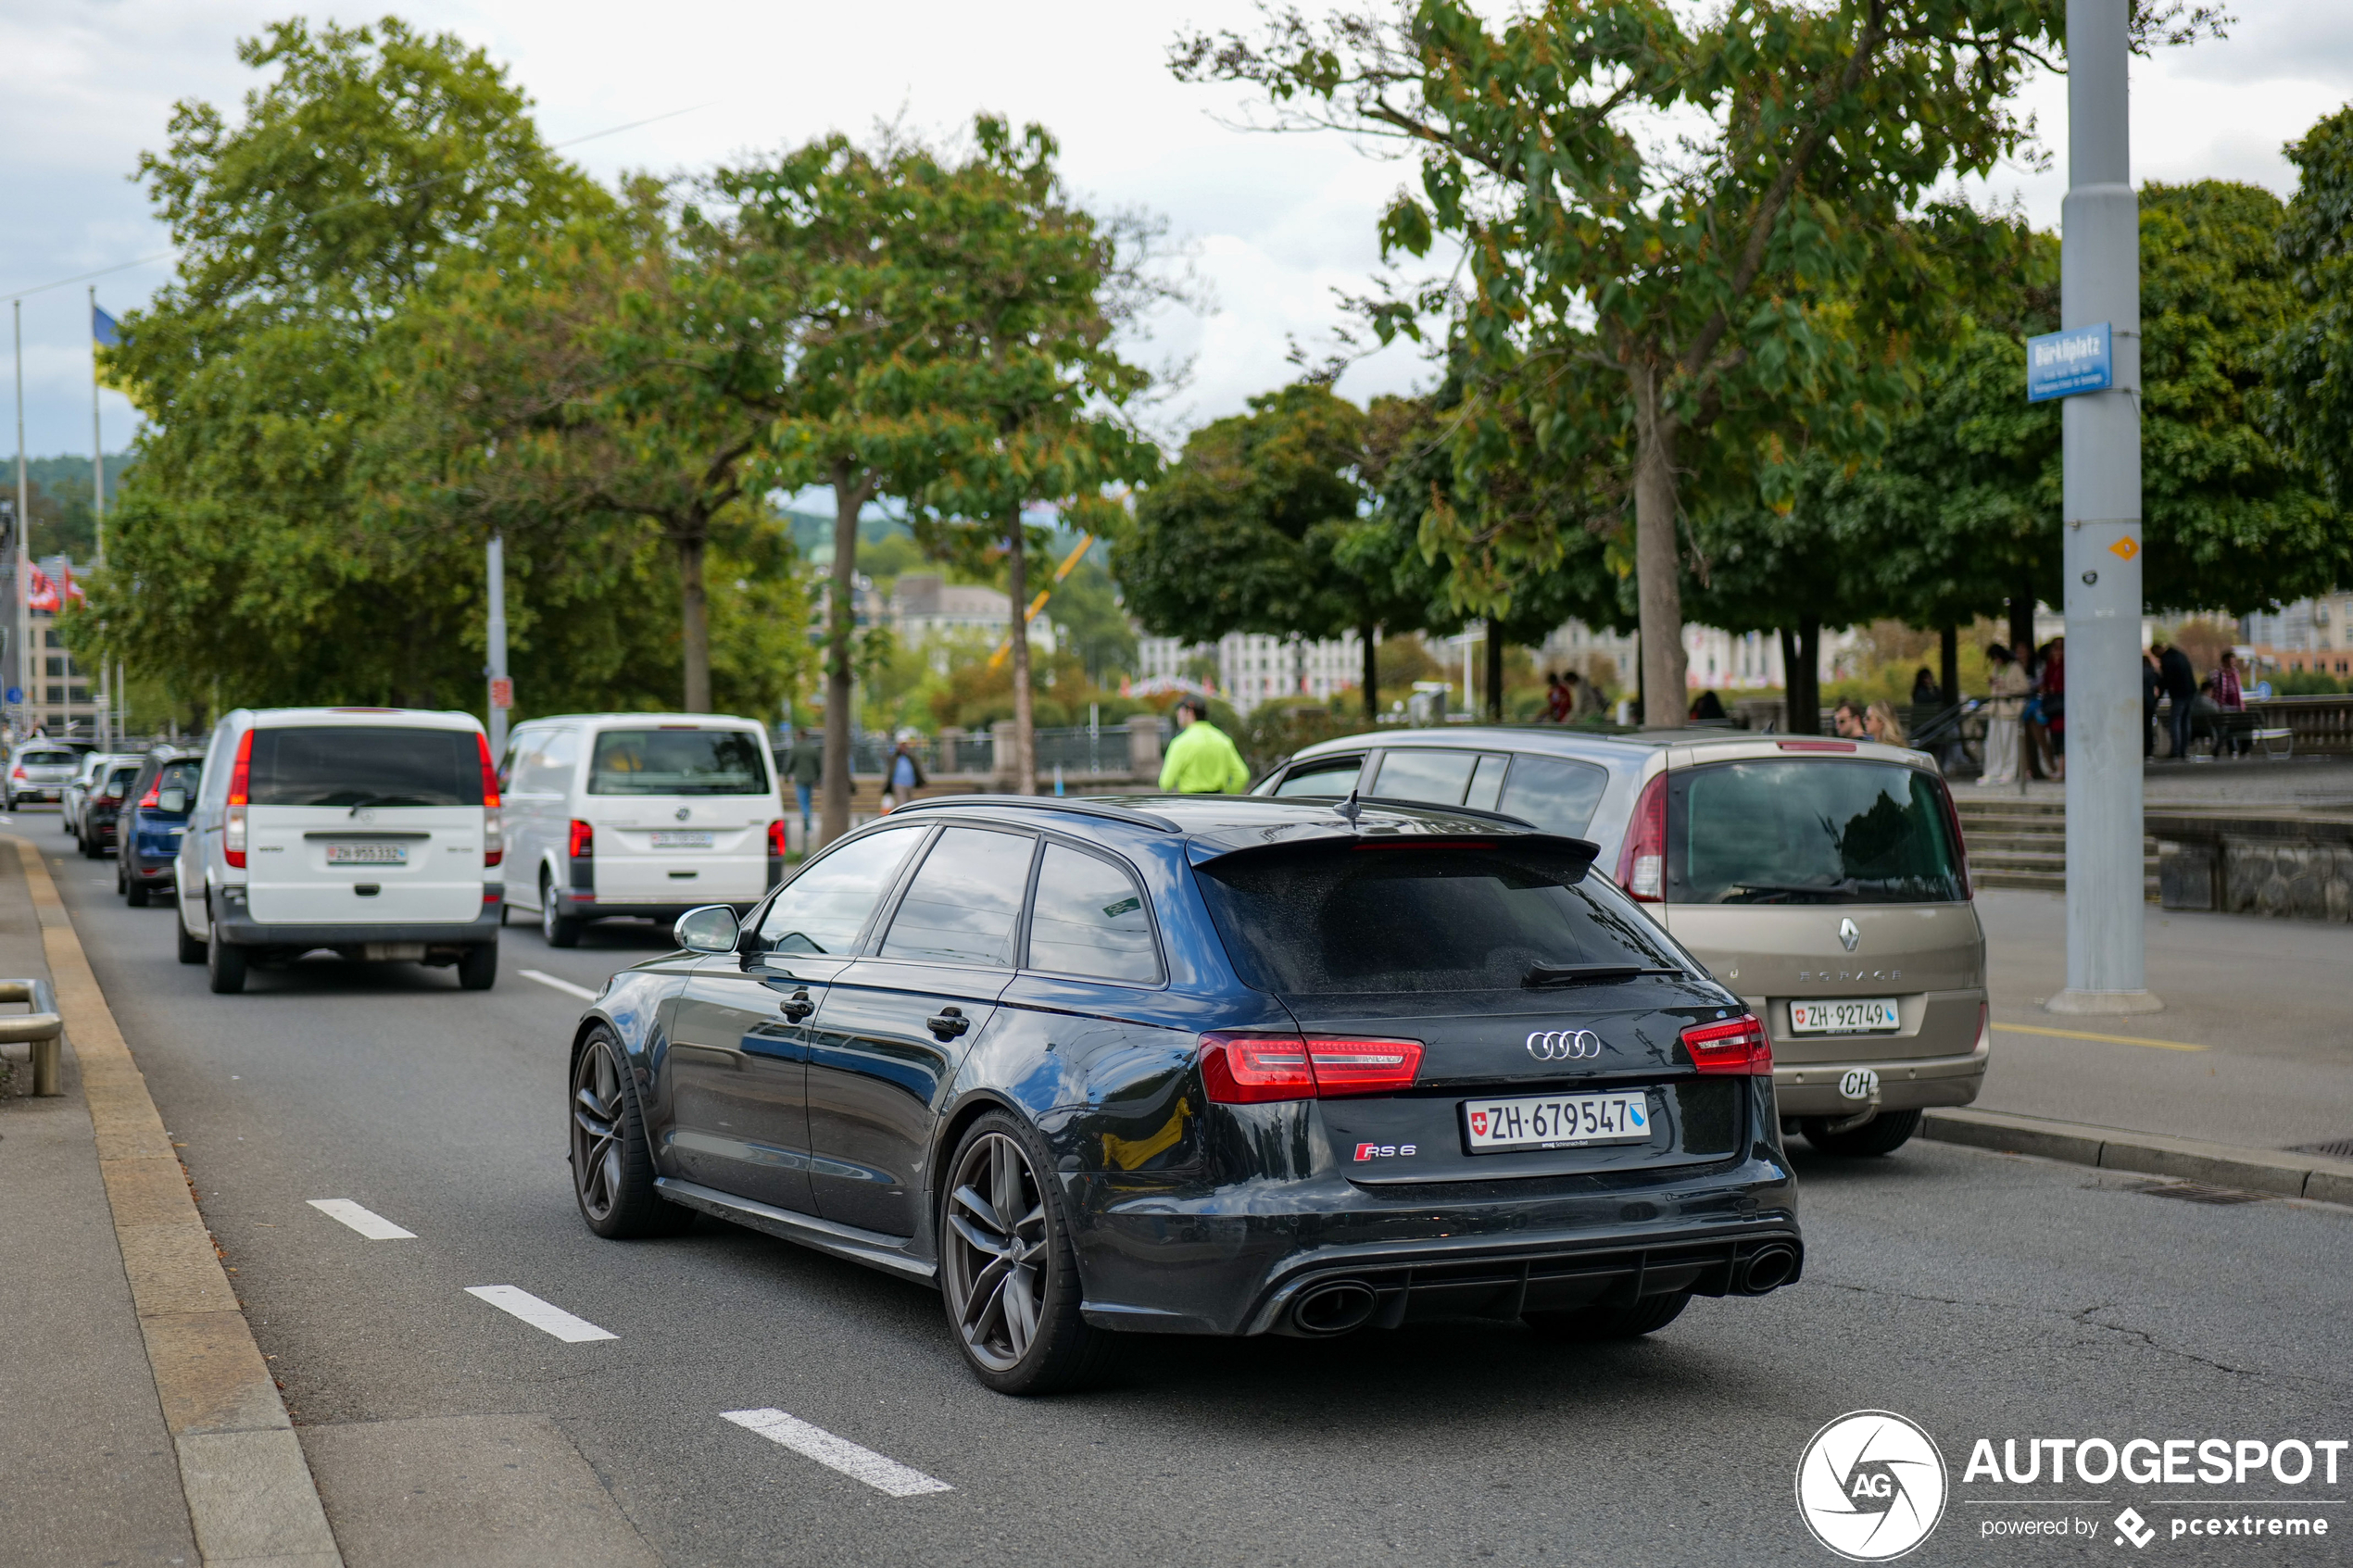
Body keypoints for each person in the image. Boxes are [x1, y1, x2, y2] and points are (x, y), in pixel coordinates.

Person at [1158, 696, 1250, 794]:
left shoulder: (1180, 743)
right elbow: (1242, 776)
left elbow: (1166, 783)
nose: (1177, 713)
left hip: (1190, 803)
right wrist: (1228, 796)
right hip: (1217, 802)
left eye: (1180, 710)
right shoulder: (1223, 740)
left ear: (1190, 712)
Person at [1979, 644, 2027, 785]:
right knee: (1994, 743)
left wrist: (2006, 686)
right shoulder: (1996, 668)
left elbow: (2024, 687)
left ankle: (2008, 772)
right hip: (1996, 709)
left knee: (2008, 743)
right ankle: (1992, 771)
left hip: (2009, 710)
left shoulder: (2015, 667)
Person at [2158, 639, 2197, 759]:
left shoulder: (2167, 660)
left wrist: (2159, 696)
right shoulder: (2180, 655)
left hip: (2178, 693)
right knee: (2185, 721)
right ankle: (2183, 750)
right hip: (2190, 692)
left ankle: (2176, 750)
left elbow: (2166, 680)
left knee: (2175, 721)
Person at [2210, 648, 2248, 757]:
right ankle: (2227, 749)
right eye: (2230, 662)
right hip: (2225, 706)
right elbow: (2215, 691)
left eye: (2234, 661)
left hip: (2236, 706)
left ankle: (2235, 750)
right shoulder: (2218, 674)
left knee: (2233, 728)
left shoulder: (2236, 673)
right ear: (2225, 662)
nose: (2232, 664)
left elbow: (2238, 690)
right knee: (2225, 729)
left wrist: (2241, 705)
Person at [789, 728, 822, 844]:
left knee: (803, 804)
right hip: (810, 779)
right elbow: (818, 765)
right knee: (808, 802)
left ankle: (807, 827)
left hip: (800, 779)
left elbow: (790, 762)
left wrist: (786, 775)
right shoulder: (812, 749)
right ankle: (808, 826)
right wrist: (818, 777)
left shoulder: (796, 748)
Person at [880, 738, 925, 811]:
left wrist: (922, 781)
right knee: (902, 802)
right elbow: (890, 770)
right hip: (898, 782)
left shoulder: (910, 756)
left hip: (910, 782)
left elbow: (917, 768)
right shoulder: (895, 757)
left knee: (909, 802)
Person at [2141, 648, 2163, 759]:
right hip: (2149, 702)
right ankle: (2148, 751)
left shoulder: (2135, 673)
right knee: (2148, 728)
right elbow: (2161, 685)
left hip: (2139, 702)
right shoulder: (2153, 673)